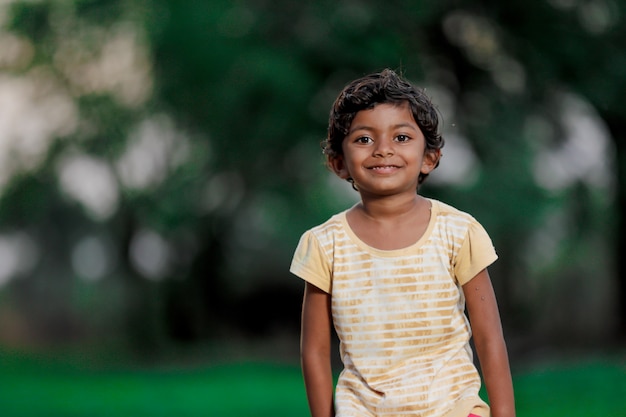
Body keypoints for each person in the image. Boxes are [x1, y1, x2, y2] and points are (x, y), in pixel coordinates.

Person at [290, 69, 515, 417]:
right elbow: (315, 351)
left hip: (452, 406)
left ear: (429, 157)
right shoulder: (324, 245)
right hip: (364, 410)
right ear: (339, 162)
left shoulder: (458, 232)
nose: (383, 150)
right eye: (364, 139)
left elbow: (489, 339)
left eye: (401, 137)